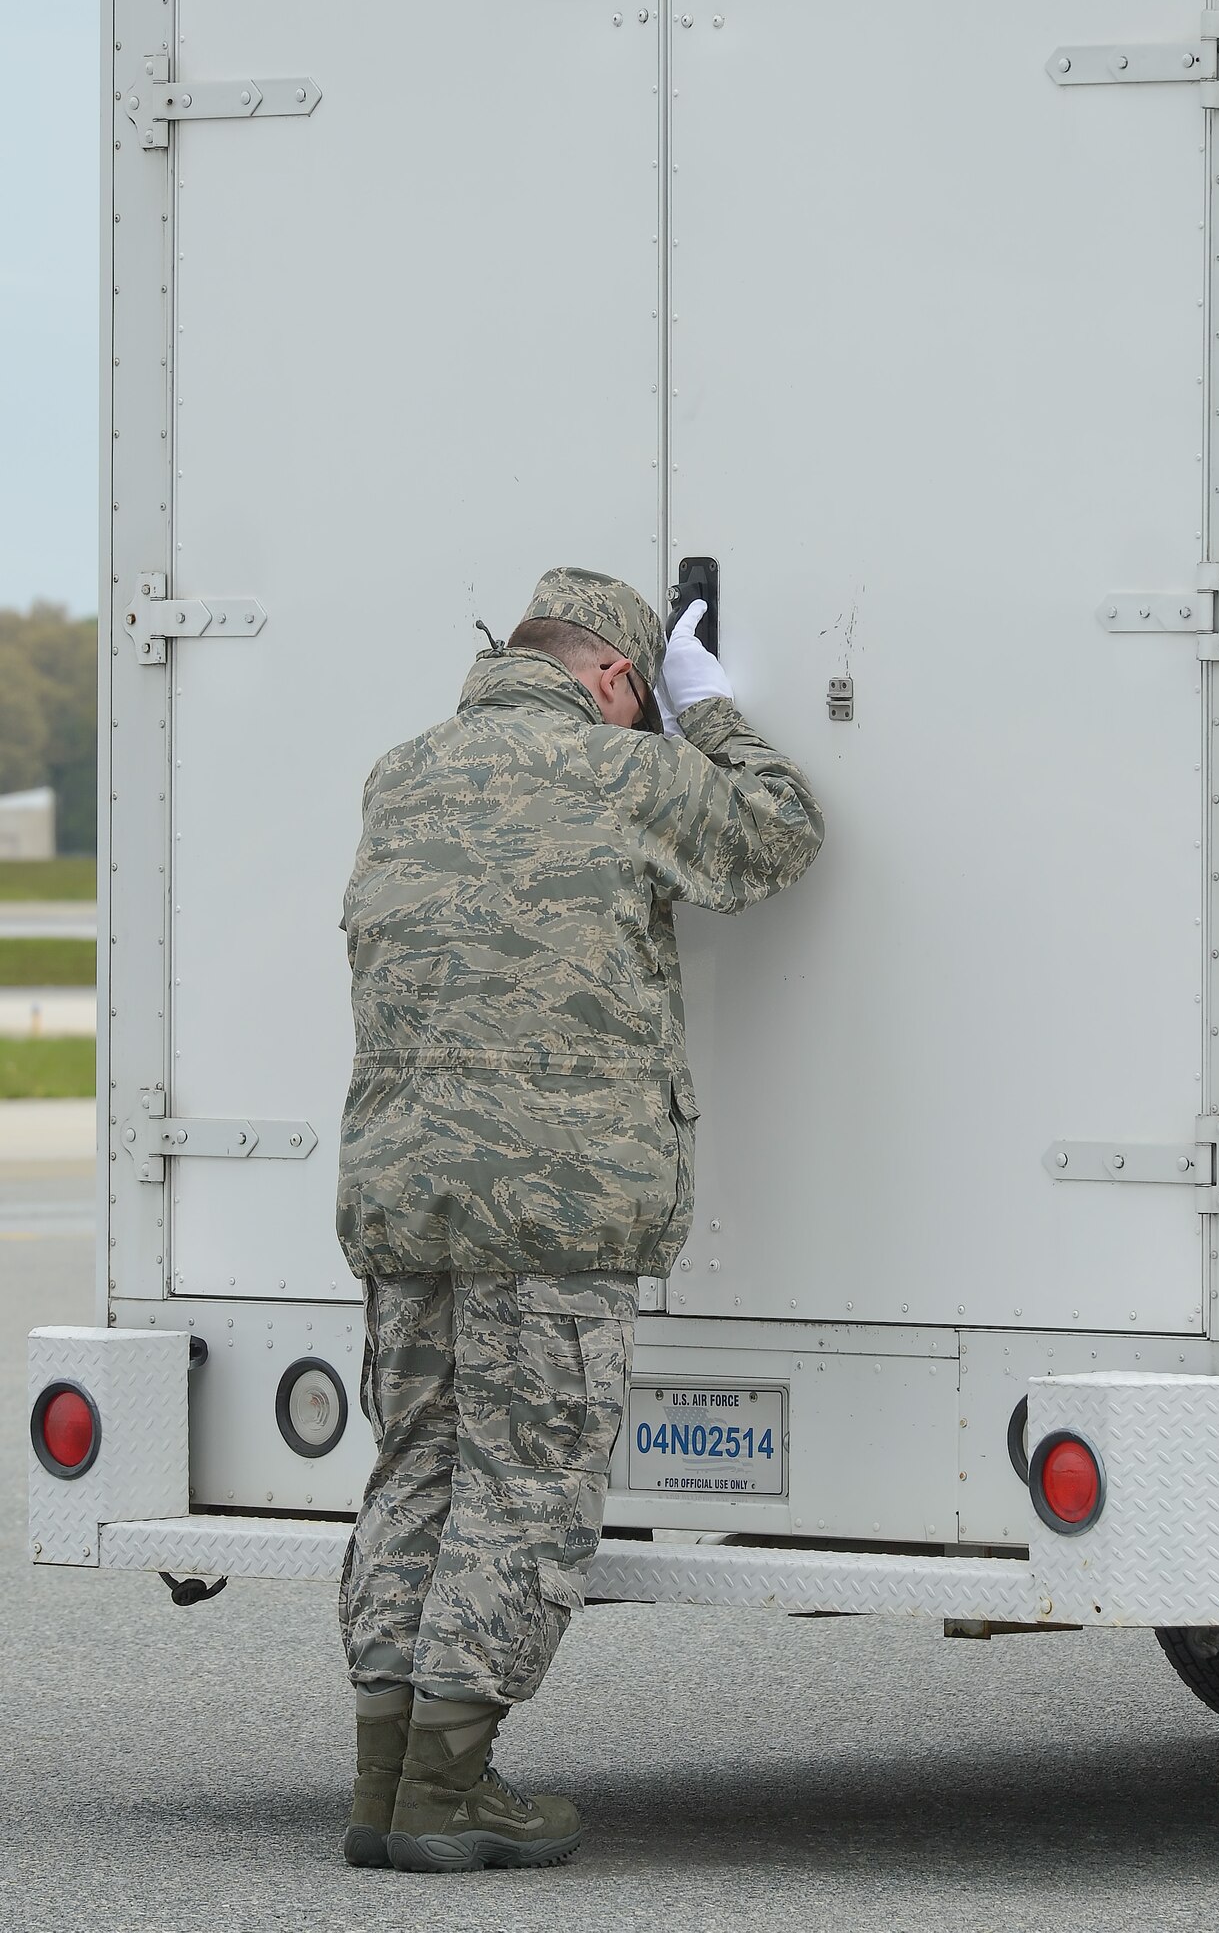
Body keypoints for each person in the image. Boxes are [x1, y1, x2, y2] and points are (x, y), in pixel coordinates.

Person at [335, 566, 824, 1873]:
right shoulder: (625, 774)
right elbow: (777, 833)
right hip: (553, 1205)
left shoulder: (402, 772)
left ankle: (384, 1787)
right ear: (615, 678)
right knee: (522, 1482)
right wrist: (706, 713)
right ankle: (451, 1790)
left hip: (402, 1193)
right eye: (641, 693)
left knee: (417, 1476)